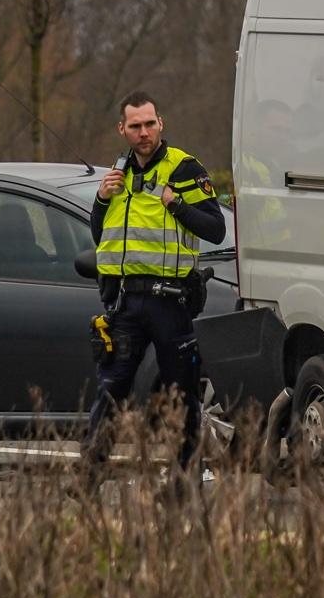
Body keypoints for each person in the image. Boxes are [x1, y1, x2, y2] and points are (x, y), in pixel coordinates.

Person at [84, 91, 226, 482]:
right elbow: (103, 235)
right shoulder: (118, 175)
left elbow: (216, 229)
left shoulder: (184, 168)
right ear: (122, 129)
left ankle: (186, 474)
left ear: (160, 123)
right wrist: (100, 199)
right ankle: (89, 478)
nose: (144, 133)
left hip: (171, 301)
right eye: (135, 126)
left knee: (180, 395)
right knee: (110, 391)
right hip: (126, 302)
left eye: (150, 124)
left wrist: (176, 205)